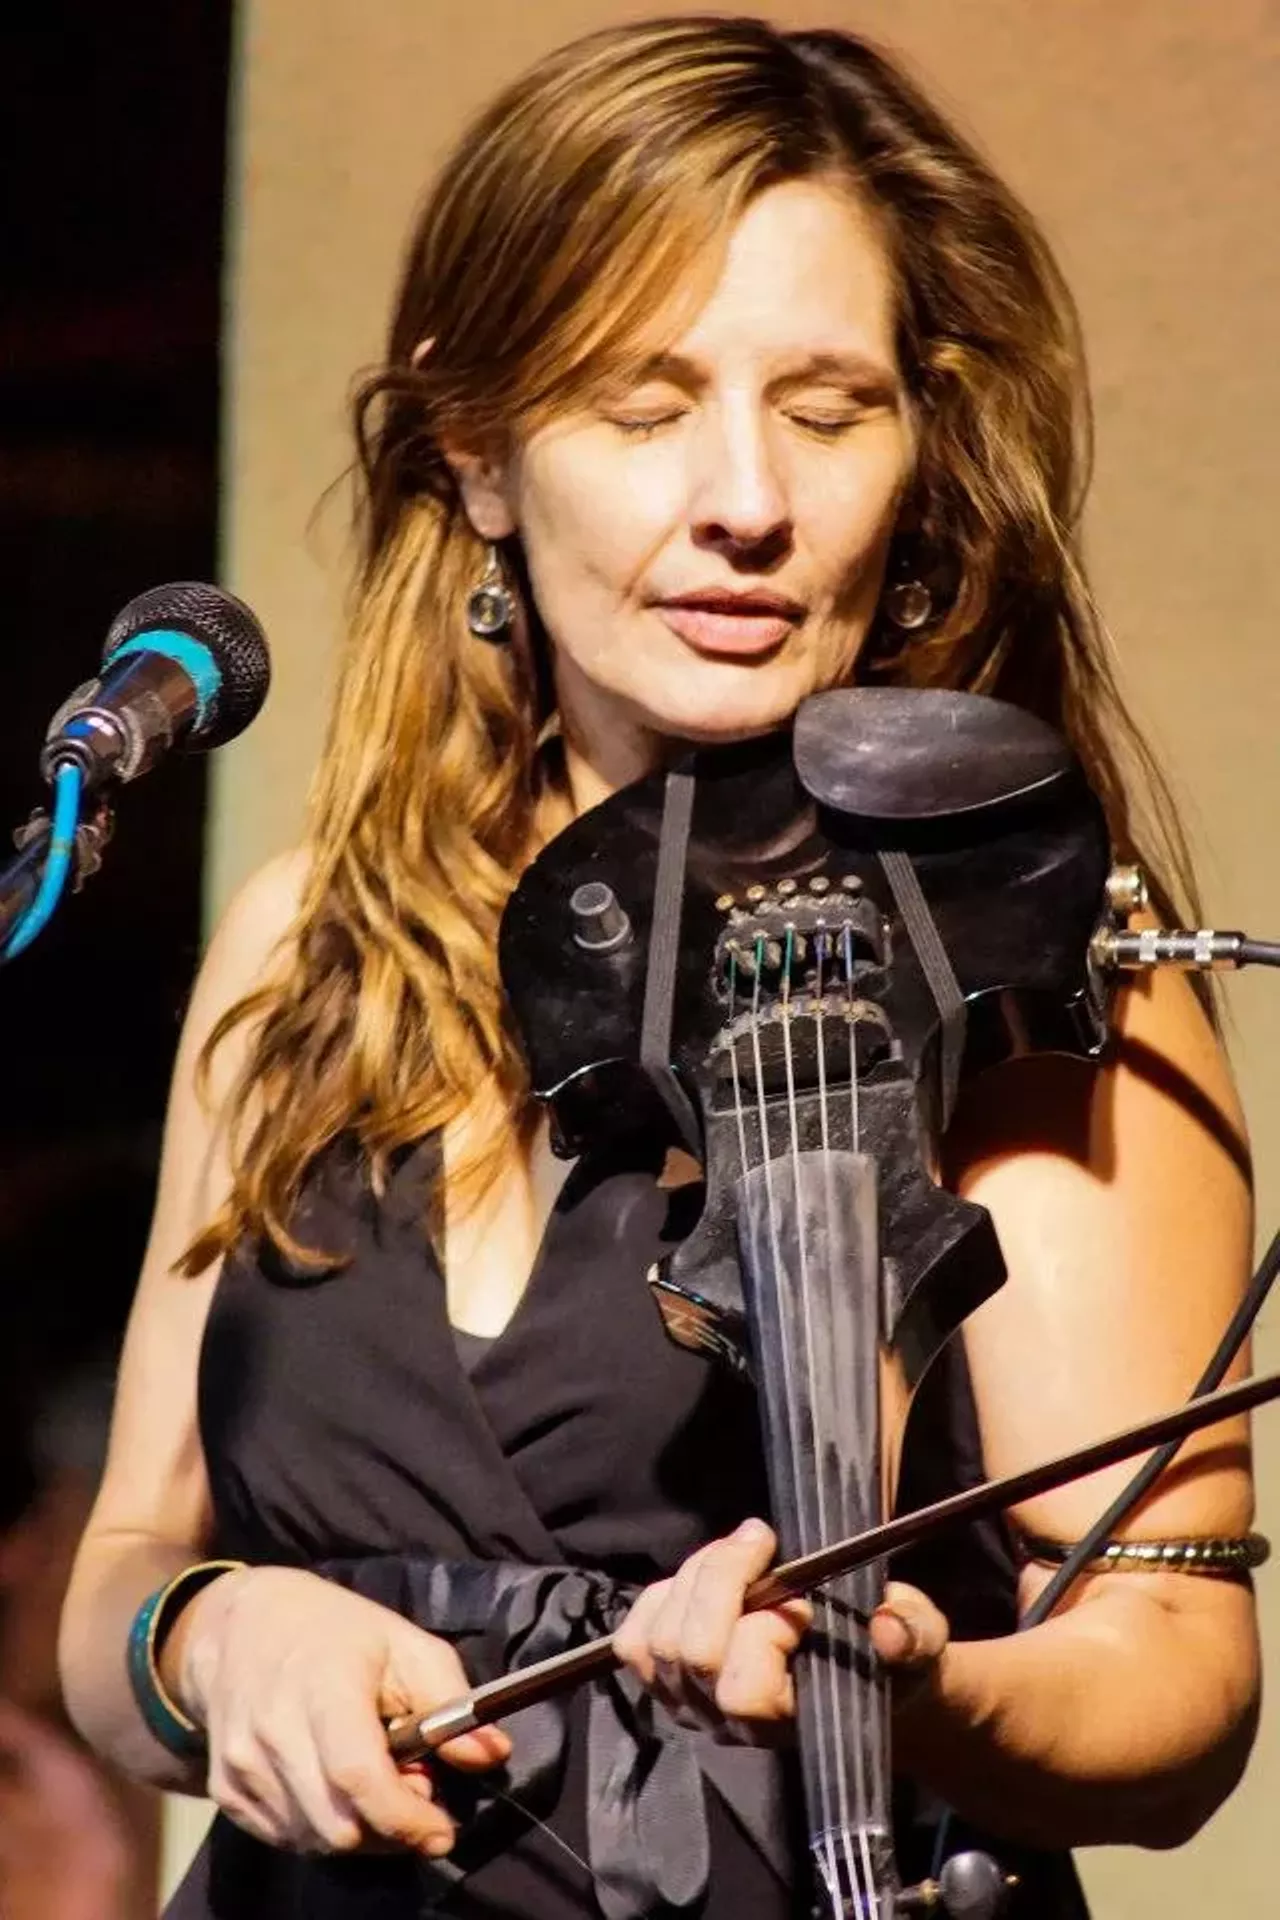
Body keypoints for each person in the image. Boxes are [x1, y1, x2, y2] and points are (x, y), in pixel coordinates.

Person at [57, 16, 1261, 1919]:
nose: (748, 500)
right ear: (477, 454)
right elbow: (119, 1574)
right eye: (644, 407)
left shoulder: (1018, 973)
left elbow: (1174, 1681)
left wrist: (916, 1692)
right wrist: (214, 1639)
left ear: (919, 452)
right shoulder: (305, 942)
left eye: (830, 409)